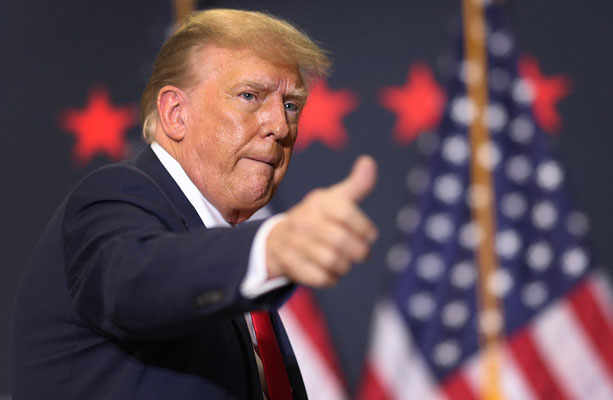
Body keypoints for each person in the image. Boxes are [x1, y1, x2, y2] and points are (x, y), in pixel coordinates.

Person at [11, 9, 377, 400]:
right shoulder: (112, 197)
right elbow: (137, 279)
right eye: (250, 96)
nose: (281, 126)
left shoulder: (229, 261)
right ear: (175, 114)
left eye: (291, 105)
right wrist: (268, 248)